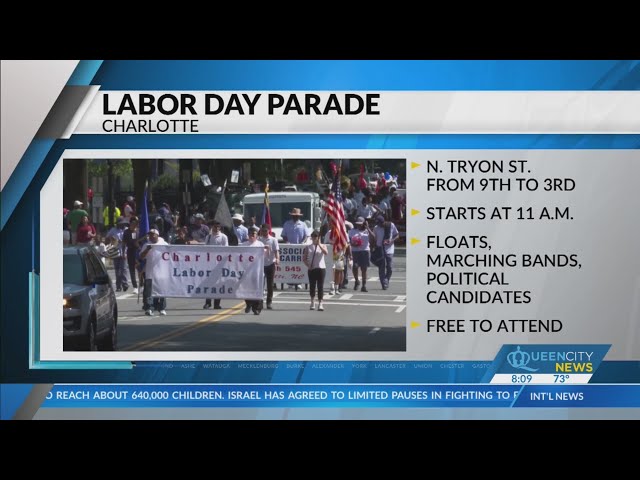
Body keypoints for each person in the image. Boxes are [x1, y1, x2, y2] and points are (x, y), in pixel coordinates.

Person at [140, 228, 169, 316]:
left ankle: (162, 308)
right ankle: (149, 308)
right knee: (149, 293)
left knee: (161, 291)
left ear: (157, 235)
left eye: (153, 234)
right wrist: (147, 249)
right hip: (150, 273)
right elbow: (141, 257)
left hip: (162, 273)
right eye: (150, 234)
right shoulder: (146, 245)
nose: (151, 236)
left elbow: (171, 255)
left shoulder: (164, 244)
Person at [202, 220, 228, 310]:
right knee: (208, 283)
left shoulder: (223, 237)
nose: (216, 228)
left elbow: (226, 250)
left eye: (218, 227)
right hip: (210, 264)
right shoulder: (208, 237)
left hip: (219, 264)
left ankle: (217, 303)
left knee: (218, 284)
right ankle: (208, 302)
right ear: (212, 227)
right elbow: (205, 249)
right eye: (215, 226)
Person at [241, 226, 266, 315]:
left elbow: (264, 256)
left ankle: (257, 308)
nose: (252, 235)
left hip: (258, 271)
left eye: (254, 234)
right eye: (250, 233)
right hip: (247, 271)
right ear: (248, 235)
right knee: (246, 290)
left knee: (258, 290)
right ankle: (249, 304)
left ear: (257, 235)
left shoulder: (260, 245)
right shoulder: (243, 245)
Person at [348, 217, 376, 293]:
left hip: (365, 251)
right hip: (355, 251)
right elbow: (348, 241)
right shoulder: (352, 231)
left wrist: (368, 227)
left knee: (364, 269)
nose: (359, 226)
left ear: (364, 224)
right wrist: (352, 243)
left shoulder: (367, 231)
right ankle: (357, 280)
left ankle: (364, 285)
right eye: (357, 224)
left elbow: (373, 237)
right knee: (355, 267)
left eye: (360, 224)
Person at [303, 230, 328, 311]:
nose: (314, 238)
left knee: (320, 286)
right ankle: (312, 302)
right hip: (312, 269)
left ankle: (321, 303)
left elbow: (326, 253)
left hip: (321, 268)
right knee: (312, 286)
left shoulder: (323, 245)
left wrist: (319, 245)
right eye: (313, 237)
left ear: (318, 237)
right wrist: (308, 265)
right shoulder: (308, 247)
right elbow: (304, 258)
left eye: (316, 237)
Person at [372, 215, 399, 290]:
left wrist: (392, 240)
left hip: (389, 249)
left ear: (383, 222)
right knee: (381, 267)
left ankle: (386, 279)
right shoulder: (376, 228)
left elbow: (397, 235)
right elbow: (374, 239)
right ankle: (383, 283)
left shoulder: (390, 225)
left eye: (380, 223)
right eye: (377, 223)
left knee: (389, 267)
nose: (379, 225)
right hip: (380, 249)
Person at [259, 223, 280, 310]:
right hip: (260, 264)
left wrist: (277, 258)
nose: (264, 232)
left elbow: (276, 251)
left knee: (270, 284)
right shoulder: (259, 240)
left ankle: (269, 302)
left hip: (270, 263)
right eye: (263, 231)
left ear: (268, 231)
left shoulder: (273, 240)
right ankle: (260, 302)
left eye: (266, 231)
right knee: (260, 284)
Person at [106, 216, 130, 292]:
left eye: (122, 224)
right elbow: (107, 238)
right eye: (120, 224)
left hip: (124, 251)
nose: (121, 225)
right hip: (115, 252)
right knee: (117, 270)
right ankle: (118, 286)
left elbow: (130, 240)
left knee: (123, 269)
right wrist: (112, 239)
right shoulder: (113, 230)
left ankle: (125, 284)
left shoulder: (126, 230)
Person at [122, 217, 140, 294]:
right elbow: (124, 243)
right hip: (130, 251)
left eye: (136, 223)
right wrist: (123, 253)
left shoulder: (139, 231)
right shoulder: (126, 232)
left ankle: (142, 285)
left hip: (138, 251)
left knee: (140, 269)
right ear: (130, 223)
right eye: (133, 222)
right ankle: (135, 286)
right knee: (132, 270)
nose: (135, 224)